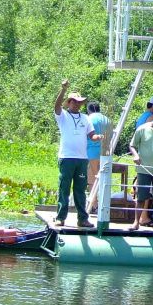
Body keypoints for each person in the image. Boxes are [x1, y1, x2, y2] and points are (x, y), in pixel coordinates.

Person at [53, 80, 103, 228]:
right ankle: (60, 217)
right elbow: (56, 106)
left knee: (80, 189)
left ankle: (82, 218)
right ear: (68, 103)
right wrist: (63, 89)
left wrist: (98, 137)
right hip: (66, 157)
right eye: (73, 102)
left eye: (79, 102)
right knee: (64, 188)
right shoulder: (63, 116)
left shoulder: (86, 118)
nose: (76, 104)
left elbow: (91, 135)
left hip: (81, 159)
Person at [86, 101, 110, 213]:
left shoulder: (88, 119)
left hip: (91, 152)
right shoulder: (107, 120)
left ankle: (94, 205)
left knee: (93, 180)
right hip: (106, 153)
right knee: (104, 179)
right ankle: (104, 204)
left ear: (89, 110)